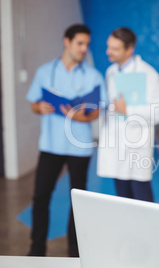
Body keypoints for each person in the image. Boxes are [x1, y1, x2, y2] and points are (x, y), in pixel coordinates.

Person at [26, 24, 106, 257]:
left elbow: (98, 110)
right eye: (80, 43)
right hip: (50, 146)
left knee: (77, 200)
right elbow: (33, 103)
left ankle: (75, 249)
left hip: (79, 148)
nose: (84, 49)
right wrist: (38, 107)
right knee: (40, 197)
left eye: (87, 45)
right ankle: (37, 248)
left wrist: (84, 115)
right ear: (67, 41)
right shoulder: (45, 71)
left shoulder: (93, 76)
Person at [97, 27, 159, 201]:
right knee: (123, 200)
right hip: (115, 145)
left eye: (114, 49)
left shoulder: (148, 74)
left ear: (129, 50)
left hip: (136, 147)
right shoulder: (110, 72)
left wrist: (128, 111)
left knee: (142, 201)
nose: (108, 52)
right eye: (108, 47)